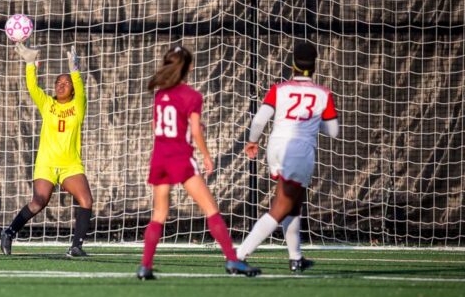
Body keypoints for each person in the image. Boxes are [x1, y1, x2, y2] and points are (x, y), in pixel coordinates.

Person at [137, 45, 261, 280]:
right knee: (210, 209)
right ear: (188, 67)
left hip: (160, 157)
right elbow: (194, 130)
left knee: (159, 214)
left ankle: (145, 266)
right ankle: (233, 260)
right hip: (180, 158)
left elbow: (157, 127)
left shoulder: (160, 94)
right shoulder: (192, 96)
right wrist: (205, 154)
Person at [236, 41, 339, 272]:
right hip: (299, 150)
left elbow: (260, 120)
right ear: (314, 66)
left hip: (276, 146)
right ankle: (239, 255)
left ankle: (296, 258)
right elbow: (333, 131)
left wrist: (252, 141)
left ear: (293, 65)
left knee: (294, 204)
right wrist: (312, 123)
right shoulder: (323, 93)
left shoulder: (279, 89)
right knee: (282, 205)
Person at [0, 42, 93, 258]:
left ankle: (76, 247)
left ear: (72, 89)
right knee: (39, 201)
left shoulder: (78, 105)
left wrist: (74, 71)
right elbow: (33, 87)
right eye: (58, 82)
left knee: (86, 200)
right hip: (47, 163)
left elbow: (80, 87)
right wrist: (30, 64)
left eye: (66, 83)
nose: (61, 85)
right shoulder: (47, 104)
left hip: (70, 165)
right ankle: (9, 232)